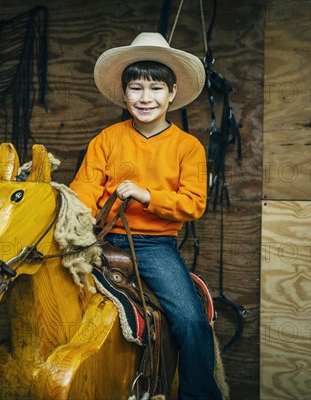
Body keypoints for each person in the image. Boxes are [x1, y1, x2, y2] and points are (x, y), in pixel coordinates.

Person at [69, 32, 223, 400]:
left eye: (155, 88)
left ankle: (200, 395)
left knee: (189, 319)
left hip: (154, 246)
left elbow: (193, 204)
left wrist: (146, 194)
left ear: (172, 94)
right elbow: (85, 190)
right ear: (123, 95)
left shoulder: (188, 147)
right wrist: (77, 224)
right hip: (101, 239)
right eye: (135, 88)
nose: (145, 98)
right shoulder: (106, 138)